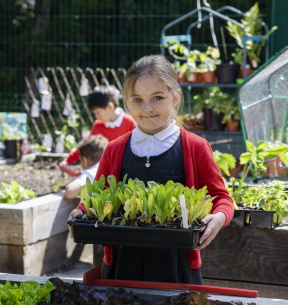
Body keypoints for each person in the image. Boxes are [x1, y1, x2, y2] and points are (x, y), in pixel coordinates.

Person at [69, 55, 234, 284]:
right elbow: (98, 197)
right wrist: (81, 210)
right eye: (137, 100)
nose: (147, 108)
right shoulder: (115, 149)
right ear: (127, 102)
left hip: (177, 266)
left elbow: (221, 197)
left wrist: (219, 217)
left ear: (175, 97)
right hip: (121, 264)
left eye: (157, 98)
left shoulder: (195, 147)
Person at [61, 85, 136, 167]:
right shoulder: (98, 125)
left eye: (98, 112)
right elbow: (86, 146)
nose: (96, 116)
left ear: (110, 107)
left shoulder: (130, 123)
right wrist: (68, 161)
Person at [64, 134, 108, 199]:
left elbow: (70, 192)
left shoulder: (92, 171)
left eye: (80, 160)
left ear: (85, 160)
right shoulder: (108, 165)